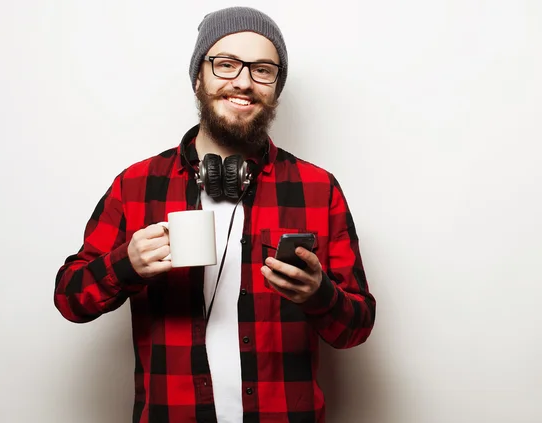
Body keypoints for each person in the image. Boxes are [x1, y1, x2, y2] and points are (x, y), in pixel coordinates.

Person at [54, 6, 376, 423]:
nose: (243, 81)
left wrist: (319, 294)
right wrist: (126, 265)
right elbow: (69, 298)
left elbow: (357, 327)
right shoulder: (136, 185)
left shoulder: (318, 189)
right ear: (197, 79)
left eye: (262, 69)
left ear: (275, 89)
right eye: (225, 64)